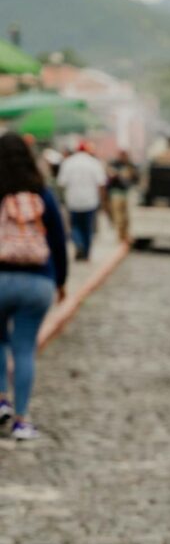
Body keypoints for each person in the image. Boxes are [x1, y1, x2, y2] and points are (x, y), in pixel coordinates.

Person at [0, 133, 68, 442]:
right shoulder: (43, 192)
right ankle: (22, 420)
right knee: (24, 349)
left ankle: (1, 399)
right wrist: (62, 280)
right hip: (38, 281)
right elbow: (57, 240)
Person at [56, 140, 107, 260]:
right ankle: (86, 252)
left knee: (75, 226)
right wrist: (103, 201)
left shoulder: (68, 162)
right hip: (90, 201)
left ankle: (78, 244)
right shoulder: (94, 162)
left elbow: (61, 183)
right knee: (87, 227)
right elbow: (101, 183)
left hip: (73, 201)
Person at [106, 148, 139, 242]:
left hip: (126, 193)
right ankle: (120, 237)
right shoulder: (114, 164)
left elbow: (135, 178)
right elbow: (109, 177)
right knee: (119, 216)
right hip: (116, 193)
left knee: (126, 217)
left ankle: (125, 235)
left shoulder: (129, 165)